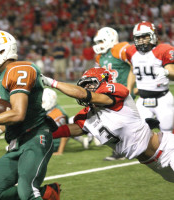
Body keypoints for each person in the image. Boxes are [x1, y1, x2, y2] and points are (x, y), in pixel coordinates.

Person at [42, 67, 174, 183]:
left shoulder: (115, 92)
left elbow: (83, 94)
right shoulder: (87, 115)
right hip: (152, 162)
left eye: (90, 84)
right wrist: (41, 133)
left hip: (167, 148)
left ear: (104, 82)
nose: (86, 88)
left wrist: (51, 82)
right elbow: (73, 129)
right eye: (84, 85)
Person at [0, 30, 60, 200]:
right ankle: (47, 194)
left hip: (36, 136)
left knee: (27, 191)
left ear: (2, 51)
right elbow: (7, 111)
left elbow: (18, 114)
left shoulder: (19, 70)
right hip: (17, 140)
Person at [126, 21, 174, 136]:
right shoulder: (131, 51)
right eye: (138, 37)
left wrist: (166, 72)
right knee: (138, 133)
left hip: (162, 99)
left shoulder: (163, 50)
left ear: (153, 36)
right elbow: (133, 70)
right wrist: (128, 89)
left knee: (167, 133)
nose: (141, 40)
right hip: (142, 100)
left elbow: (172, 73)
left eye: (145, 37)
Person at [93, 27, 132, 161]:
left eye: (101, 41)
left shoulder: (119, 49)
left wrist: (134, 86)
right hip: (113, 95)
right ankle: (121, 151)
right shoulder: (100, 57)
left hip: (127, 93)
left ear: (110, 39)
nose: (99, 45)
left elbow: (135, 64)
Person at [42, 88, 89, 155]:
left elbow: (65, 133)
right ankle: (84, 140)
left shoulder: (58, 113)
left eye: (42, 101)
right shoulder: (52, 109)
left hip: (51, 144)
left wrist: (60, 151)